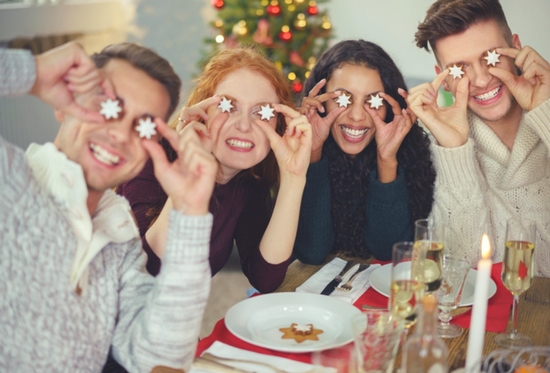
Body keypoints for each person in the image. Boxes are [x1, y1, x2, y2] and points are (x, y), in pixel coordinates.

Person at [0, 42, 217, 372]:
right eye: (108, 107)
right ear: (62, 105)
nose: (119, 134)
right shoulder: (9, 180)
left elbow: (158, 359)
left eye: (142, 126)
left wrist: (191, 212)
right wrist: (31, 73)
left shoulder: (121, 239)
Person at [117, 47, 312, 293]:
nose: (244, 125)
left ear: (279, 123)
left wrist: (294, 178)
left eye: (262, 112)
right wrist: (190, 175)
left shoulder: (248, 180)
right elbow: (149, 272)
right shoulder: (149, 156)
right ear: (203, 110)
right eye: (229, 106)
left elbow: (265, 278)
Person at [409, 0, 550, 277]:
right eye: (460, 69)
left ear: (517, 49)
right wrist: (455, 150)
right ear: (444, 79)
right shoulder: (435, 145)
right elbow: (453, 268)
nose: (482, 80)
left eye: (492, 57)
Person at [293, 39, 435, 264]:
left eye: (374, 100)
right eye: (342, 98)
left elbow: (388, 252)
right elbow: (312, 252)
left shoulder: (412, 155)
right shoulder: (294, 152)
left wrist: (386, 160)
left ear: (390, 105)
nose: (357, 115)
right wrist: (312, 152)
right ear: (319, 99)